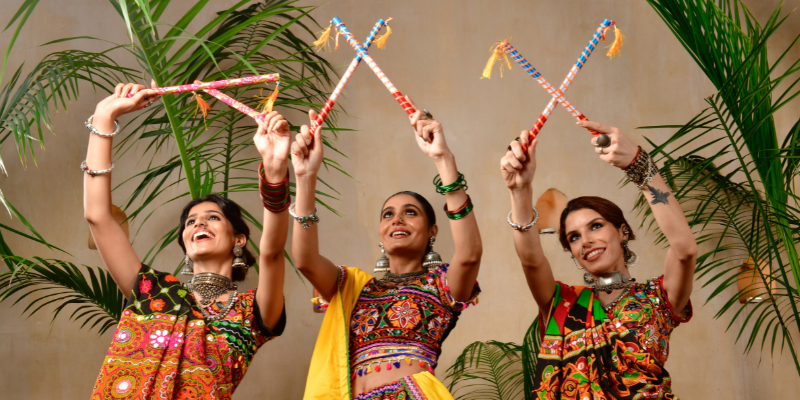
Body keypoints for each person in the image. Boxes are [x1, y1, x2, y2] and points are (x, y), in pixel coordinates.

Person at [85, 82, 290, 399]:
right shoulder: (152, 292)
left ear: (239, 239)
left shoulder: (253, 312)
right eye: (190, 221)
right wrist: (103, 117)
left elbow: (273, 254)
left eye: (212, 217)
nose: (198, 224)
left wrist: (275, 173)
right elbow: (98, 216)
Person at [291, 97, 482, 399]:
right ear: (381, 233)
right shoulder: (354, 287)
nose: (397, 220)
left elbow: (470, 254)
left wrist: (444, 160)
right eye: (388, 214)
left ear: (432, 231)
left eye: (410, 212)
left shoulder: (442, 284)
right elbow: (305, 260)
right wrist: (304, 178)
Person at [500, 120, 697, 399]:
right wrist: (519, 191)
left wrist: (639, 167)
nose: (587, 241)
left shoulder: (660, 298)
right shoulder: (561, 302)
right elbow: (531, 260)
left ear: (622, 231)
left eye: (595, 226)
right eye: (574, 237)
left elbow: (684, 249)